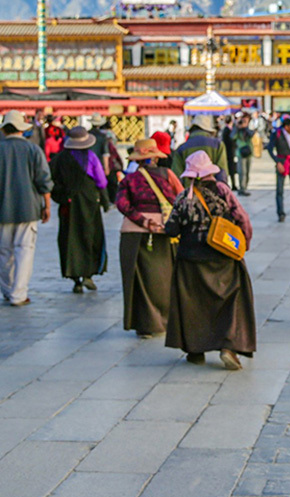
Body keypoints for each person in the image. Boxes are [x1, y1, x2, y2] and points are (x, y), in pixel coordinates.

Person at [164, 151, 256, 370]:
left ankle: (196, 350)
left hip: (190, 259)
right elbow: (242, 218)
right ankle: (228, 347)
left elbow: (171, 228)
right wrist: (244, 245)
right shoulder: (223, 191)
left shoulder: (184, 196)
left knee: (193, 304)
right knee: (231, 300)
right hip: (222, 255)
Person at [116, 139, 183, 338]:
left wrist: (143, 220)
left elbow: (121, 204)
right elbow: (180, 197)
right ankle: (164, 321)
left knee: (138, 279)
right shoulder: (168, 175)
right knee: (163, 277)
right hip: (164, 232)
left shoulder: (129, 180)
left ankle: (144, 324)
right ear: (155, 157)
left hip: (133, 234)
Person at [0, 111, 53, 306]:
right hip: (27, 208)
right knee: (24, 251)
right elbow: (44, 181)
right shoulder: (33, 150)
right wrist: (46, 206)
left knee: (4, 252)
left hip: (2, 209)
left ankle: (7, 290)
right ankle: (19, 294)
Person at [50, 126, 109, 293]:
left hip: (68, 205)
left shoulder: (60, 158)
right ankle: (88, 275)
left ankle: (75, 279)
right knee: (89, 236)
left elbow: (50, 177)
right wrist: (104, 201)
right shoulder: (91, 157)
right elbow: (101, 182)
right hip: (88, 203)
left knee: (70, 238)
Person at [267, 114, 290, 222]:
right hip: (282, 163)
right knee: (280, 190)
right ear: (286, 127)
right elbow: (270, 149)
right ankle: (281, 213)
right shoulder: (277, 134)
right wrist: (277, 162)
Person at [171, 115, 229, 185]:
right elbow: (222, 171)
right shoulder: (218, 145)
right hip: (212, 191)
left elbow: (176, 176)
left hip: (190, 193)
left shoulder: (181, 148)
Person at [233, 113, 255, 197]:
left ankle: (245, 187)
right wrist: (237, 127)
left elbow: (252, 134)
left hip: (249, 152)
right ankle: (242, 188)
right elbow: (232, 137)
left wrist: (245, 127)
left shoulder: (249, 127)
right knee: (242, 171)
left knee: (247, 171)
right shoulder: (237, 128)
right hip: (240, 153)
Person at [221, 116, 238, 191]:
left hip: (230, 152)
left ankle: (233, 184)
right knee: (230, 169)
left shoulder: (227, 129)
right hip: (229, 152)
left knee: (231, 169)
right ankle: (232, 184)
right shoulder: (227, 130)